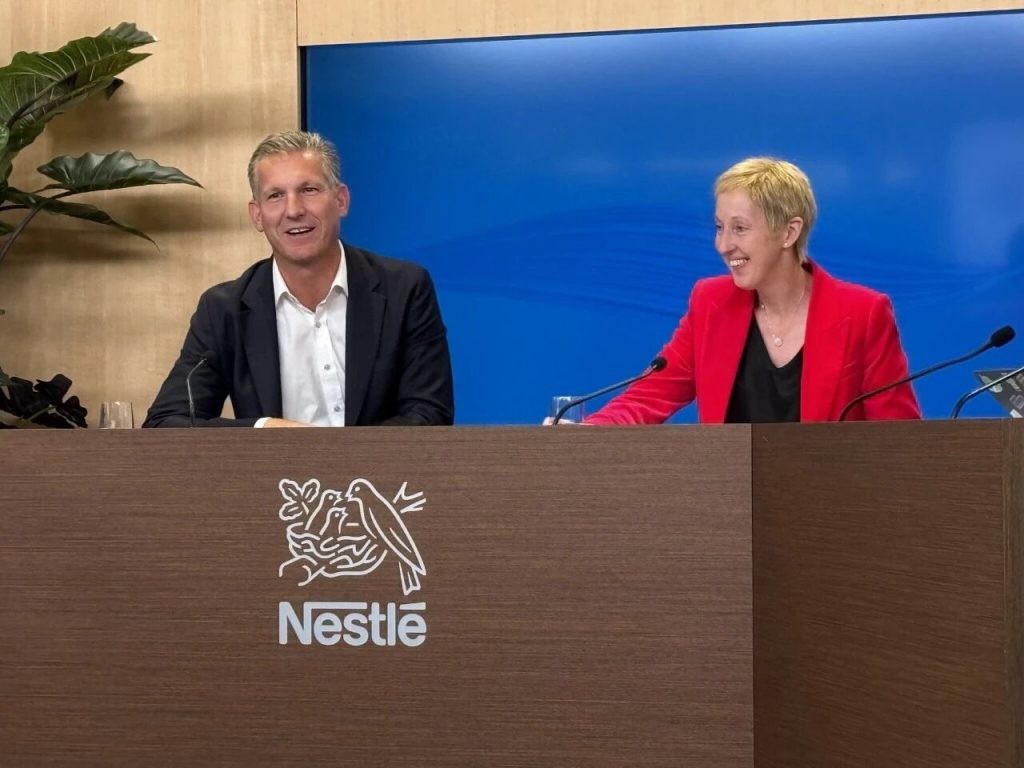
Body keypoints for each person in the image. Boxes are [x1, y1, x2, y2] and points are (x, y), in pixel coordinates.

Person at [143, 131, 454, 428]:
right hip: (273, 468)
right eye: (275, 196)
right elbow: (166, 422)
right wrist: (265, 429)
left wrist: (345, 455)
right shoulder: (224, 309)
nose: (293, 210)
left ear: (341, 200)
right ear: (257, 215)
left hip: (378, 468)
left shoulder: (404, 289)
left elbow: (430, 415)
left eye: (309, 190)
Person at [583, 157, 921, 424]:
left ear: (789, 233)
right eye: (719, 227)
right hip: (732, 491)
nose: (723, 245)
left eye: (740, 228)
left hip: (831, 492)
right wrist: (586, 432)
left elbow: (899, 437)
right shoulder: (710, 303)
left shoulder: (863, 313)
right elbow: (650, 395)